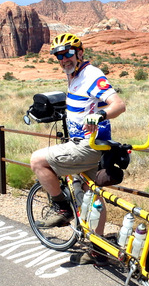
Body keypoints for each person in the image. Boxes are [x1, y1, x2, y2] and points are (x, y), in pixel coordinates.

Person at [30, 33, 126, 265]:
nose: (63, 59)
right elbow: (82, 104)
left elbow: (118, 104)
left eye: (68, 53)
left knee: (37, 161)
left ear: (80, 52)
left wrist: (99, 115)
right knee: (90, 196)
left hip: (88, 146)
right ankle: (97, 249)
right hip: (94, 146)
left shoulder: (90, 74)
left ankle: (61, 208)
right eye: (59, 56)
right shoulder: (74, 77)